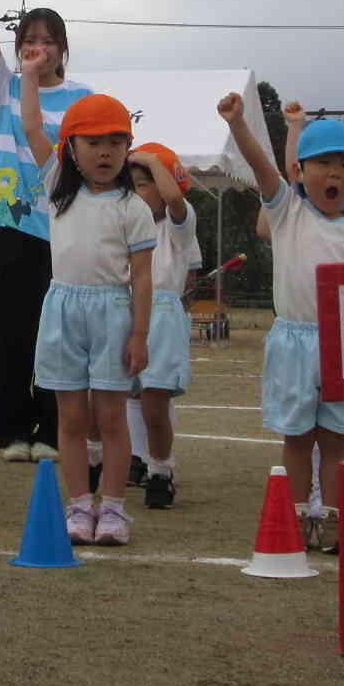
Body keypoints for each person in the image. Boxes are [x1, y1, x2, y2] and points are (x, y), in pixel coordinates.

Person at [222, 94, 344, 553]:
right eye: (323, 164)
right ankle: (295, 517)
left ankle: (334, 520)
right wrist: (240, 125)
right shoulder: (287, 213)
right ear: (300, 172)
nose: (334, 174)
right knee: (297, 438)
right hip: (294, 342)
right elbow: (262, 168)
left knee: (337, 439)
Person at [0, 0, 92, 462]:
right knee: (7, 330)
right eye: (29, 41)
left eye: (47, 41)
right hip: (3, 223)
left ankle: (52, 429)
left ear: (61, 50)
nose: (37, 48)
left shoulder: (84, 98)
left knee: (55, 331)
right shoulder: (6, 88)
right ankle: (11, 428)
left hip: (60, 227)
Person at [22, 77, 154, 546]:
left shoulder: (133, 207)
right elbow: (32, 127)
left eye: (115, 142)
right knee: (71, 418)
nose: (104, 152)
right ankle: (79, 505)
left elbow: (141, 278)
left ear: (127, 148)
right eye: (93, 142)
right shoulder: (58, 187)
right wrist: (32, 77)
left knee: (112, 417)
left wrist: (139, 334)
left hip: (114, 314)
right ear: (71, 149)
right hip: (62, 310)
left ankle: (114, 508)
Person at [125, 140, 196, 511]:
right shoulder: (122, 223)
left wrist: (152, 159)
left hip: (163, 317)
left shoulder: (178, 226)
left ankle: (161, 470)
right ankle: (135, 460)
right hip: (126, 310)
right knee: (128, 395)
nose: (137, 193)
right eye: (132, 184)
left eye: (144, 183)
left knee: (155, 401)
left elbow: (175, 200)